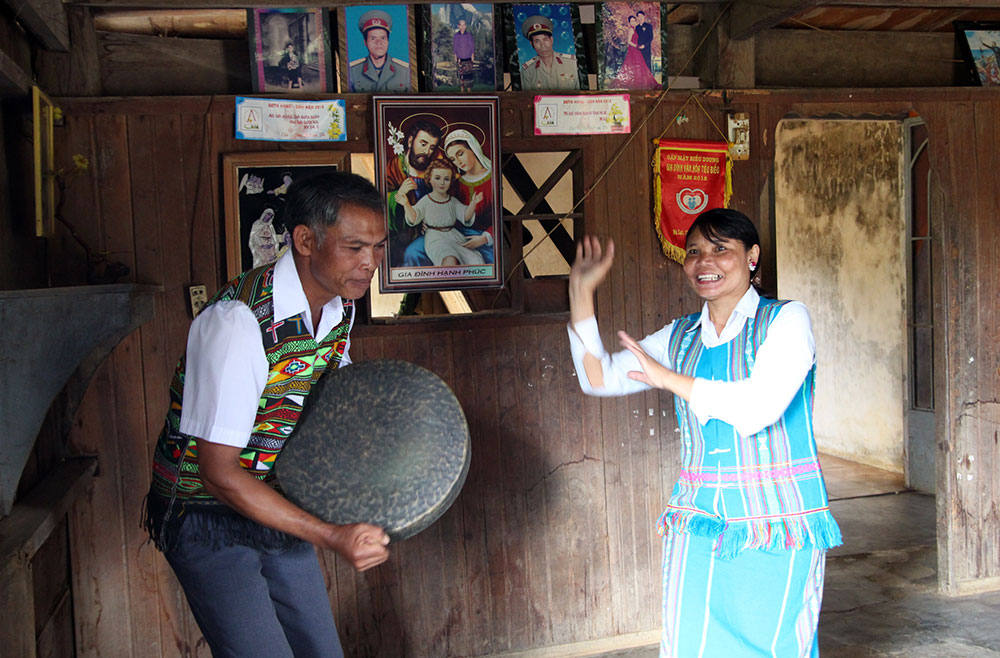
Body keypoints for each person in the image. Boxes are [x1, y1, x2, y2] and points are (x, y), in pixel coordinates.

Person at [567, 208, 842, 657]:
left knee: (772, 645)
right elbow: (598, 379)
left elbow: (758, 408)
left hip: (777, 521)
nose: (704, 262)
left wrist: (668, 379)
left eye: (720, 250)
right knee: (694, 645)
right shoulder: (681, 337)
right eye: (693, 252)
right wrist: (580, 293)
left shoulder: (786, 321)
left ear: (752, 257)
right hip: (699, 520)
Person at [144, 171, 392, 658]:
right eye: (354, 247)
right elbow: (218, 474)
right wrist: (328, 533)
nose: (370, 264)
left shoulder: (340, 309)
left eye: (378, 248)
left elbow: (332, 408)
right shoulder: (237, 322)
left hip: (275, 500)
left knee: (322, 651)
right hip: (204, 511)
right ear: (304, 240)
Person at [397, 156, 484, 266]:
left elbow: (465, 216)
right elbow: (414, 218)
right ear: (429, 179)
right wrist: (406, 204)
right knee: (449, 258)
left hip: (453, 237)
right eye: (437, 178)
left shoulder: (452, 201)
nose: (442, 183)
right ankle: (448, 282)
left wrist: (473, 203)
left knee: (474, 259)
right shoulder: (426, 201)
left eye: (446, 179)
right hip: (435, 238)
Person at [443, 128, 495, 254]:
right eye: (453, 159)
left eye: (460, 154)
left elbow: (498, 216)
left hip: (485, 237)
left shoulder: (493, 178)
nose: (458, 162)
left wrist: (484, 238)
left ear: (473, 148)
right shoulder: (456, 185)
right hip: (459, 236)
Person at [349, 10, 410, 93]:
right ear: (365, 42)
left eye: (383, 38)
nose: (378, 42)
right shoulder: (353, 72)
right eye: (373, 38)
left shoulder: (404, 71)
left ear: (388, 41)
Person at [519, 15, 580, 91]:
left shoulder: (572, 63)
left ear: (551, 40)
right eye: (537, 41)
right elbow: (525, 99)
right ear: (532, 44)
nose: (543, 45)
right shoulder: (528, 71)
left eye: (545, 39)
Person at [611, 15, 659, 89]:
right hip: (633, 48)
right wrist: (636, 46)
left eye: (634, 20)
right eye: (631, 21)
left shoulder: (636, 29)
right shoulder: (631, 29)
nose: (633, 22)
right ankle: (635, 82)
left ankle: (639, 82)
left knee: (639, 65)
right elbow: (629, 41)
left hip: (636, 49)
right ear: (629, 23)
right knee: (634, 63)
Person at [453, 19, 476, 91]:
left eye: (464, 25)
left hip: (468, 57)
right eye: (461, 25)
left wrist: (472, 55)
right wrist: (455, 55)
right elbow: (455, 46)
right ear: (458, 26)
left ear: (465, 26)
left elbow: (472, 45)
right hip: (460, 58)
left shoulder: (469, 35)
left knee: (468, 76)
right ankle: (462, 91)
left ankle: (469, 91)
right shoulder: (456, 36)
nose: (462, 27)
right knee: (461, 75)